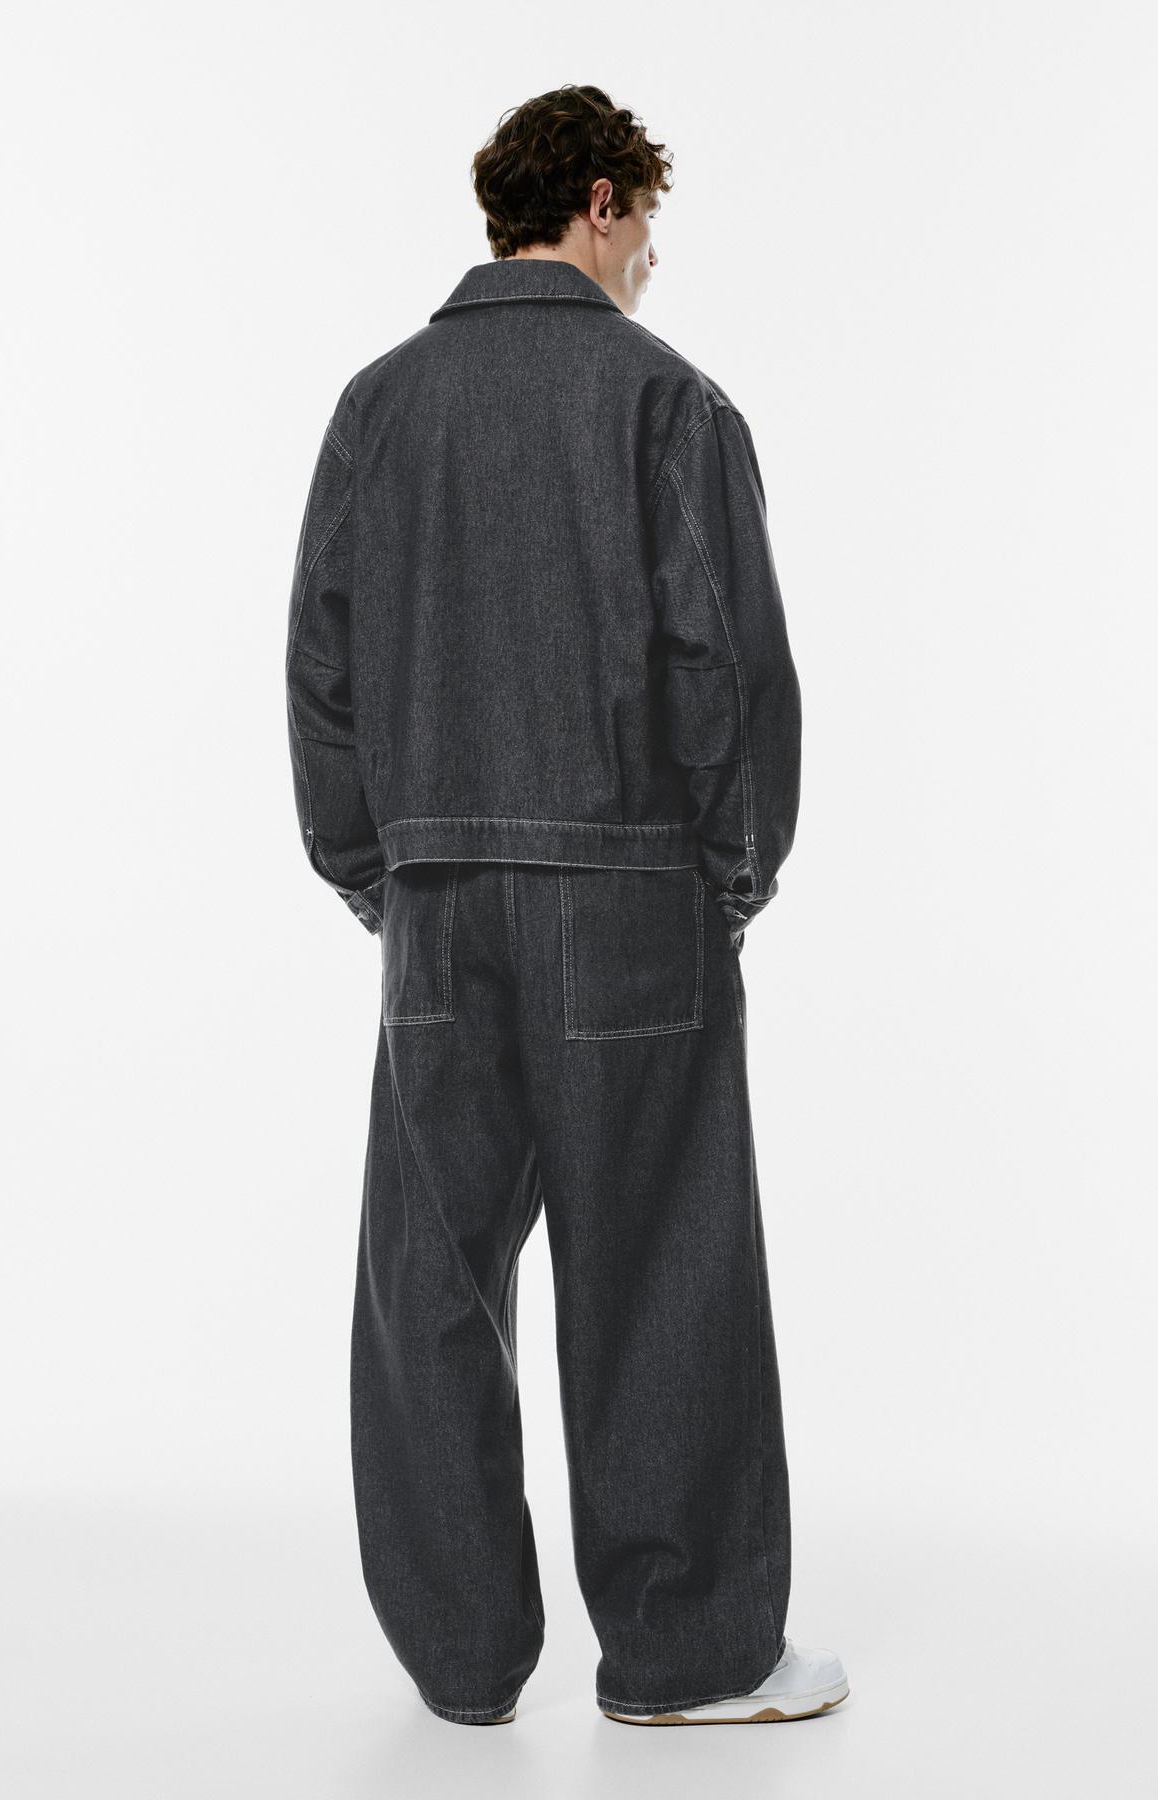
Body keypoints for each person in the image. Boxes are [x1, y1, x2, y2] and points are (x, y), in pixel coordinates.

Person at [284, 82, 848, 1728]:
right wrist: (732, 872)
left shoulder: (379, 407)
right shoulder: (667, 403)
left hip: (438, 907)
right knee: (660, 1266)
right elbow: (732, 672)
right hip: (631, 901)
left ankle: (462, 1664)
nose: (652, 257)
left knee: (433, 1282)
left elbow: (321, 674)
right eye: (647, 223)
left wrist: (378, 872)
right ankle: (686, 1658)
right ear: (600, 201)